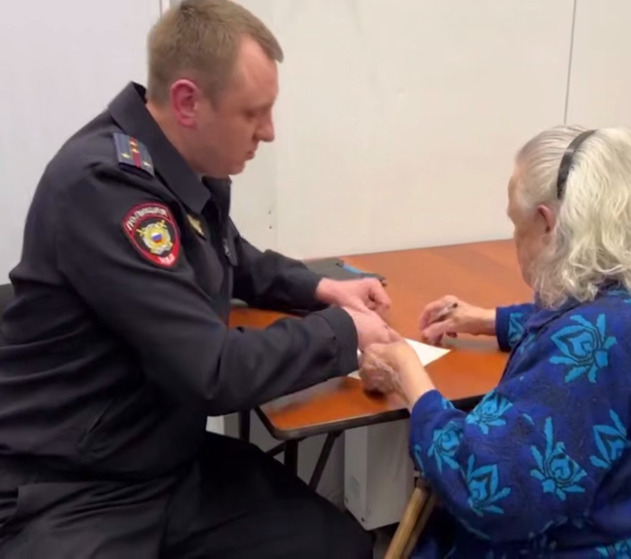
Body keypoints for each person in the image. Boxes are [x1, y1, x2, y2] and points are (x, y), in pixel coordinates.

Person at [0, 1, 392, 557]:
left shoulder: (177, 169)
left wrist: (320, 289)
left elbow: (231, 255)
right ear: (188, 102)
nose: (269, 132)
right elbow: (212, 372)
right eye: (254, 113)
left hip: (163, 458)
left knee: (339, 545)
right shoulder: (105, 187)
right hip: (71, 485)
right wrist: (343, 332)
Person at [360, 125, 631, 557]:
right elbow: (593, 320)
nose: (513, 237)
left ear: (547, 223)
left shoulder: (591, 342)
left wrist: (409, 378)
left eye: (515, 223)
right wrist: (491, 321)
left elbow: (487, 492)